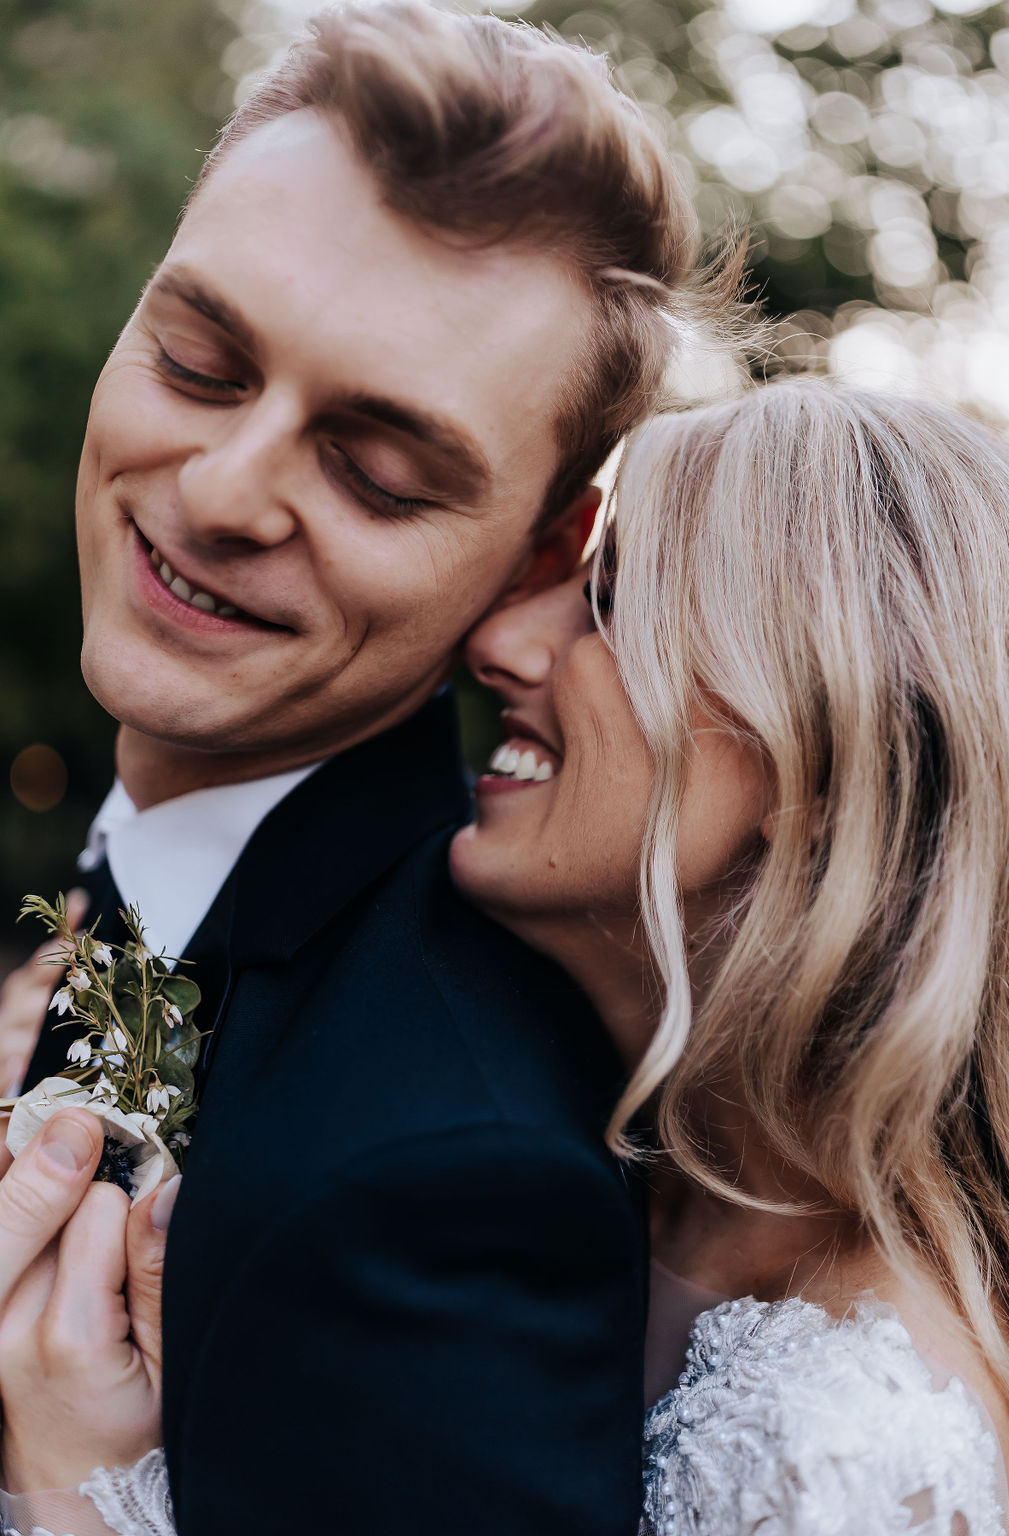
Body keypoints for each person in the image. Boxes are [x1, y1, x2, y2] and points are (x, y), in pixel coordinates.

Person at [0, 3, 731, 1530]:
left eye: (378, 473)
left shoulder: (448, 1187)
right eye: (197, 359)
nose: (218, 491)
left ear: (543, 552)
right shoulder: (137, 890)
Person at [451, 377, 1009, 1532]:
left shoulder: (853, 1455)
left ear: (817, 769)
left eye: (608, 605)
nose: (498, 641)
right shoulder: (569, 1159)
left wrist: (74, 1482)